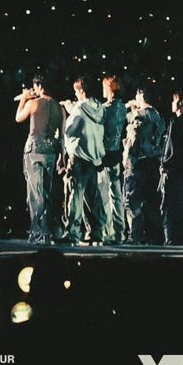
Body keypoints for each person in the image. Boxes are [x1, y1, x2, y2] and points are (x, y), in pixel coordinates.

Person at [15, 73, 63, 244]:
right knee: (46, 192)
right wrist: (62, 156)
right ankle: (46, 231)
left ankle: (37, 231)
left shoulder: (33, 103)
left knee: (35, 193)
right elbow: (61, 135)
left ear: (40, 87)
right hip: (51, 151)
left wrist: (24, 98)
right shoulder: (58, 107)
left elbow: (18, 117)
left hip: (34, 150)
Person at [60, 77, 106, 245]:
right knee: (92, 197)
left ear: (81, 90)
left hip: (79, 157)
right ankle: (96, 232)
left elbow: (69, 131)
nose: (75, 94)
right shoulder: (99, 108)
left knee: (75, 196)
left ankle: (72, 232)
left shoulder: (79, 109)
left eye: (76, 91)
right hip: (93, 159)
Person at [122, 87, 166, 244]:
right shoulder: (157, 115)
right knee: (151, 201)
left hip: (138, 162)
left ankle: (136, 235)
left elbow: (134, 138)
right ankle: (154, 236)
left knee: (132, 200)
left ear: (141, 96)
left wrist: (128, 160)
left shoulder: (138, 115)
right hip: (153, 161)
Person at [159, 90, 183, 245]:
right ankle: (182, 237)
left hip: (173, 170)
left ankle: (170, 238)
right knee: (181, 203)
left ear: (180, 103)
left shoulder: (176, 123)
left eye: (174, 100)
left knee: (169, 205)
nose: (172, 103)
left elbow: (172, 148)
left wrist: (165, 164)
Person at [98, 75, 128, 244]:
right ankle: (119, 232)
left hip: (105, 154)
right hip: (116, 153)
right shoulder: (122, 107)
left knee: (104, 196)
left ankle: (108, 232)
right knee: (116, 195)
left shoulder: (106, 109)